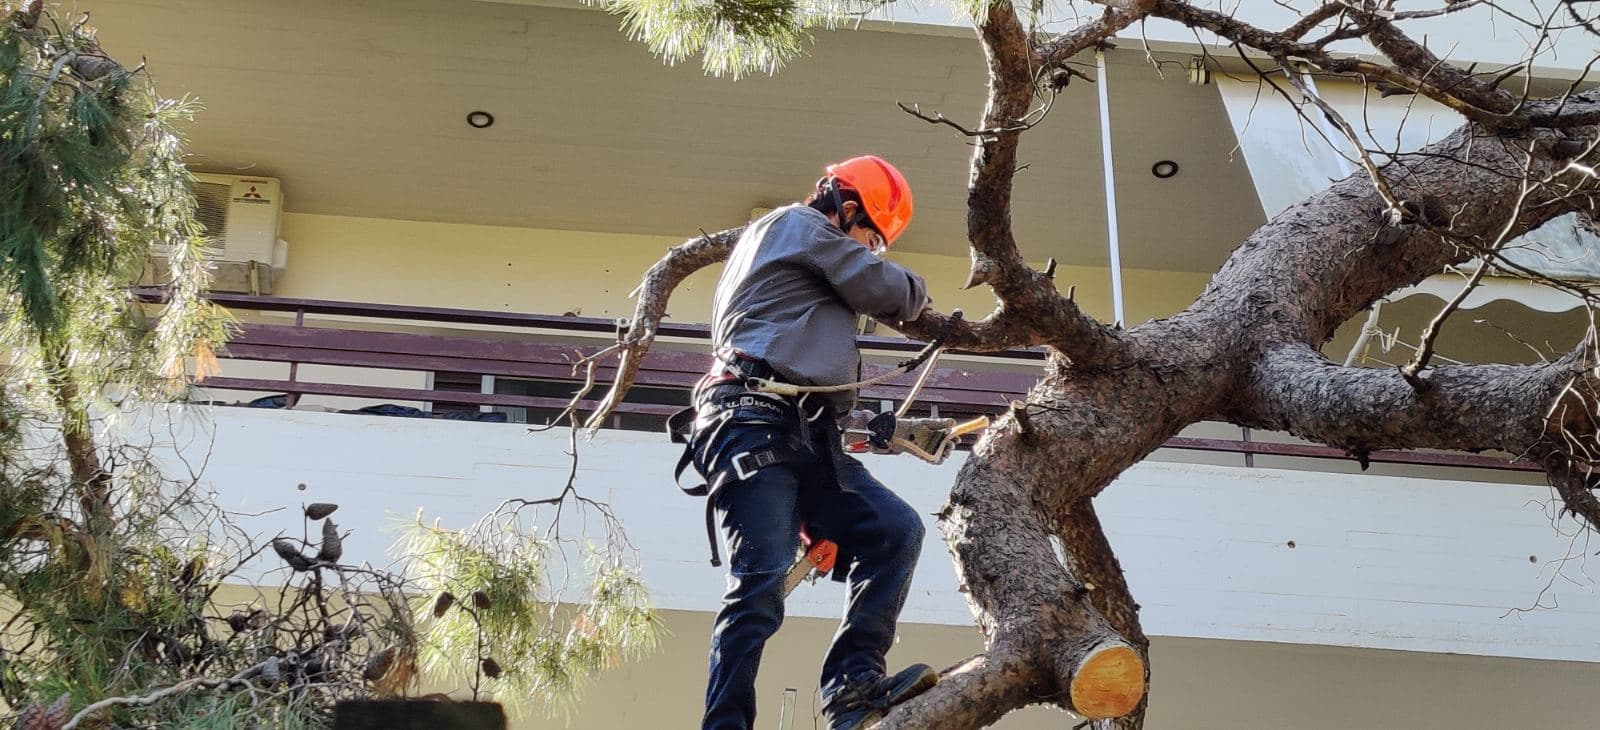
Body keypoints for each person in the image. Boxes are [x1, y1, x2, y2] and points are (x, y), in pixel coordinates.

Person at [681, 155, 954, 730]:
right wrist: (916, 292)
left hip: (803, 433)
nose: (868, 253)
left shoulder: (801, 275)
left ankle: (852, 688)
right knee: (758, 584)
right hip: (750, 419)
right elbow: (893, 292)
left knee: (893, 530)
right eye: (868, 240)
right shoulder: (796, 225)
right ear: (846, 207)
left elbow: (816, 374)